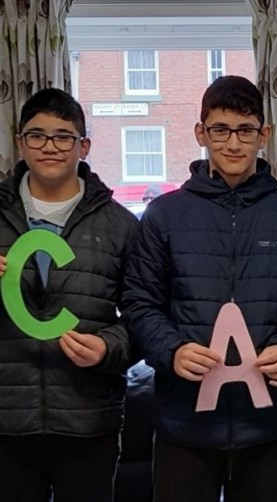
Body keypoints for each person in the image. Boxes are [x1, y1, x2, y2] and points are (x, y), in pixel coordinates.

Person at [122, 75, 277, 502]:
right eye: (220, 129)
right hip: (184, 421)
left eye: (245, 130)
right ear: (201, 132)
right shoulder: (163, 215)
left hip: (268, 420)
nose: (233, 143)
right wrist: (172, 349)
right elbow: (139, 303)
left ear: (264, 134)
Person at [0, 88, 138, 501]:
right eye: (37, 135)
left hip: (88, 418)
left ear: (84, 145)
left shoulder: (121, 226)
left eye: (63, 136)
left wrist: (107, 348)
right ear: (20, 142)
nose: (50, 147)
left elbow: (144, 317)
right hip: (6, 421)